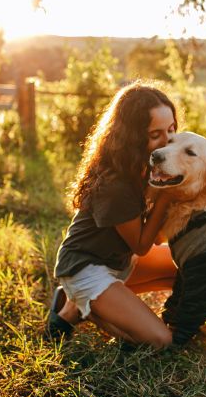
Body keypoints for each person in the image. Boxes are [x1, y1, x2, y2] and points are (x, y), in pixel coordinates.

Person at [46, 81, 178, 348]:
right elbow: (142, 246)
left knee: (188, 264)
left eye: (172, 130)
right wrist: (165, 195)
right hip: (85, 268)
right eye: (156, 135)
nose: (168, 142)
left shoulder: (146, 166)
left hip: (119, 263)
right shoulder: (115, 184)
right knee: (160, 340)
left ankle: (76, 304)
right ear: (133, 136)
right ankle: (81, 305)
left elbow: (157, 239)